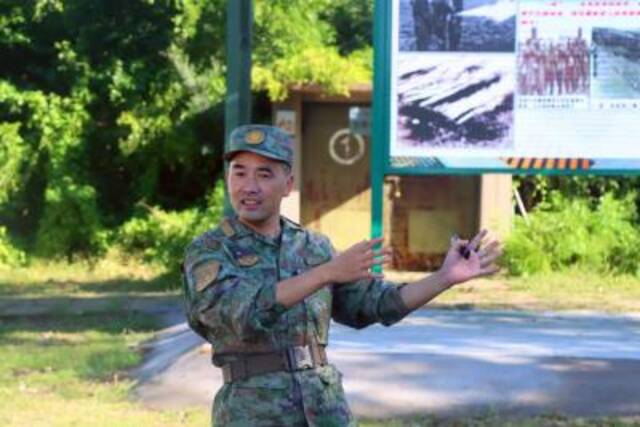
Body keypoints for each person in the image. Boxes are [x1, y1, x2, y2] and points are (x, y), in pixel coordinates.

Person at [182, 124, 501, 427]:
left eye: (264, 174)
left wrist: (444, 277)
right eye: (239, 173)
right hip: (251, 412)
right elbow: (236, 314)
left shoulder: (313, 247)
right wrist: (325, 274)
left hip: (324, 409)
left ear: (288, 184)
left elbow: (375, 304)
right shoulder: (210, 249)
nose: (249, 186)